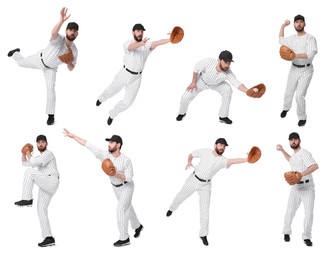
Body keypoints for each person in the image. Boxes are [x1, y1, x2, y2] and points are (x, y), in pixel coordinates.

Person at [63, 128, 143, 247]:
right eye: (109, 142)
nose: (109, 144)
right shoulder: (105, 155)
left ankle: (124, 238)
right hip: (115, 187)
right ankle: (138, 226)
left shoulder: (126, 160)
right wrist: (73, 136)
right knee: (127, 207)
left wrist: (115, 173)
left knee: (121, 209)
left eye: (111, 142)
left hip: (127, 187)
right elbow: (88, 145)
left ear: (118, 145)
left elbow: (129, 178)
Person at [166, 138, 251, 246]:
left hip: (206, 185)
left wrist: (247, 159)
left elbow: (234, 160)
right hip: (194, 179)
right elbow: (191, 154)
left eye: (224, 146)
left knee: (205, 210)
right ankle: (172, 208)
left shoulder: (222, 160)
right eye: (221, 145)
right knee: (181, 196)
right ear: (215, 145)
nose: (222, 148)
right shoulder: (205, 151)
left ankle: (203, 234)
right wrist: (189, 161)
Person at [8, 7, 79, 125]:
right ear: (66, 31)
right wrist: (61, 20)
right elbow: (53, 33)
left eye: (75, 30)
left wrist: (69, 63)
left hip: (51, 69)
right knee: (21, 63)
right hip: (39, 59)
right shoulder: (59, 39)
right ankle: (16, 53)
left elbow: (71, 68)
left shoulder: (75, 51)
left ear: (77, 33)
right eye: (70, 29)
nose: (72, 32)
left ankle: (51, 115)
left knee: (50, 88)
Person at [96, 23, 171, 125]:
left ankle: (112, 114)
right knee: (112, 89)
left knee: (128, 101)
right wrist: (141, 43)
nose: (140, 33)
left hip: (137, 77)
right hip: (125, 73)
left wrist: (171, 39)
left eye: (141, 31)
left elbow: (157, 42)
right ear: (133, 32)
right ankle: (101, 98)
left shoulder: (147, 45)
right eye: (138, 31)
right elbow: (131, 47)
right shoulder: (127, 43)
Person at [176, 50, 258, 124]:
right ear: (219, 60)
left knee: (227, 89)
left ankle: (223, 116)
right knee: (184, 98)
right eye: (225, 62)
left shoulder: (228, 72)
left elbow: (236, 83)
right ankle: (182, 113)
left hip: (217, 84)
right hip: (202, 81)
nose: (227, 65)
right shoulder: (208, 61)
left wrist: (247, 91)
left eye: (229, 62)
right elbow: (196, 68)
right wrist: (193, 82)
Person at [14, 135, 60, 247]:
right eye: (39, 142)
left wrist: (28, 152)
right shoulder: (38, 158)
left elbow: (33, 163)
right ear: (36, 144)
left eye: (43, 142)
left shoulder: (48, 154)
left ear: (46, 144)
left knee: (30, 172)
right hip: (46, 184)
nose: (40, 144)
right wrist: (23, 153)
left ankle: (27, 199)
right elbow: (25, 163)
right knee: (41, 209)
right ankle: (48, 237)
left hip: (51, 180)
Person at [276, 132, 318, 246]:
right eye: (291, 140)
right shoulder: (294, 155)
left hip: (307, 187)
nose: (293, 141)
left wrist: (301, 174)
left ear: (299, 140)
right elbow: (290, 160)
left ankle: (307, 237)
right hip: (295, 187)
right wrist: (282, 150)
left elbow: (315, 166)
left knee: (308, 213)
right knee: (290, 211)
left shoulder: (304, 153)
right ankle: (286, 232)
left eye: (295, 139)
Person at [279, 14, 318, 127]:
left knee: (299, 95)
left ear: (304, 24)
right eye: (296, 22)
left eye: (301, 21)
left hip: (306, 69)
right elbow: (280, 40)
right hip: (294, 68)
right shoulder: (292, 38)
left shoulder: (310, 38)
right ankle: (286, 108)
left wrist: (295, 54)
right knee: (288, 91)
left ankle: (302, 117)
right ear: (294, 24)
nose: (299, 24)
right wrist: (283, 25)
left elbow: (311, 54)